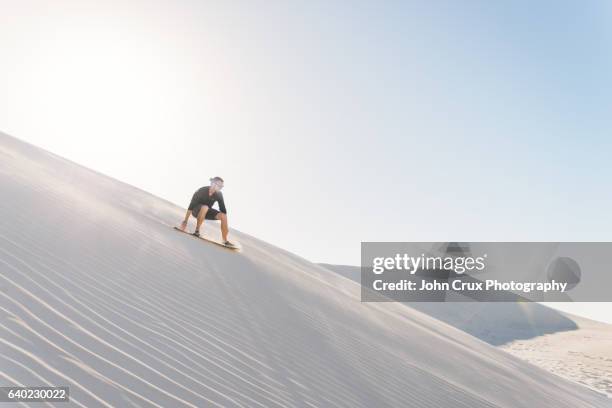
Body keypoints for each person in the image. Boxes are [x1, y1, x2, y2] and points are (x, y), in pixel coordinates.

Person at [179, 177, 235, 246]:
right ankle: (197, 231)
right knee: (205, 207)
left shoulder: (219, 194)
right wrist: (185, 221)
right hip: (195, 211)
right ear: (213, 183)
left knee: (223, 216)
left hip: (206, 212)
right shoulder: (202, 190)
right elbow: (191, 206)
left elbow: (223, 209)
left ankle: (225, 240)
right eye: (219, 185)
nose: (220, 188)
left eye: (221, 186)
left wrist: (223, 217)